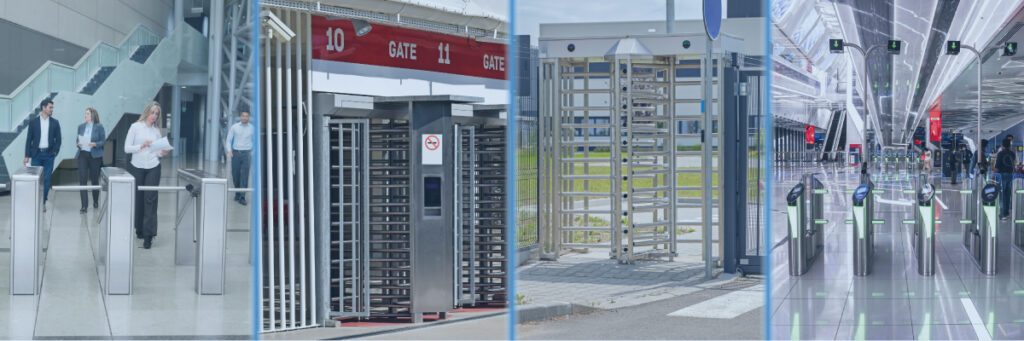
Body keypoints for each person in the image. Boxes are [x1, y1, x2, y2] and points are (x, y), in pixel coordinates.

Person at [125, 102, 169, 249]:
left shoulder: (156, 131)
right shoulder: (135, 127)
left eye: (157, 114)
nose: (154, 116)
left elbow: (157, 151)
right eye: (152, 112)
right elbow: (127, 148)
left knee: (150, 200)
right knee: (138, 200)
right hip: (136, 166)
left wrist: (162, 152)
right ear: (147, 112)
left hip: (153, 167)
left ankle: (148, 236)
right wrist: (141, 145)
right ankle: (139, 229)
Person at [24, 98, 61, 211]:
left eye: (52, 107)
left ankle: (43, 201)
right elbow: (29, 139)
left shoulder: (55, 122)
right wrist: (26, 156)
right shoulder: (33, 122)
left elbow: (58, 140)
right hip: (36, 155)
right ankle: (35, 201)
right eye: (50, 107)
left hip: (49, 156)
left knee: (47, 180)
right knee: (35, 179)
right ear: (43, 108)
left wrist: (54, 152)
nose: (52, 109)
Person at [76, 108, 106, 213]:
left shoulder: (99, 126)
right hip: (82, 155)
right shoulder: (81, 126)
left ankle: (96, 201)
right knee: (82, 179)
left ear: (93, 115)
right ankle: (84, 206)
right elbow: (77, 140)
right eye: (85, 114)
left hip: (95, 156)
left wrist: (95, 144)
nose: (85, 115)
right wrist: (78, 144)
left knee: (94, 179)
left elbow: (103, 141)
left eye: (87, 114)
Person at [225, 111, 253, 205]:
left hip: (247, 154)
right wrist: (229, 150)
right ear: (240, 117)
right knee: (235, 174)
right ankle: (237, 193)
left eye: (246, 116)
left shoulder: (252, 128)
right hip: (236, 153)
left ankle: (242, 197)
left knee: (244, 175)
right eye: (243, 116)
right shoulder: (234, 127)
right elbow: (229, 140)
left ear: (248, 117)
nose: (245, 118)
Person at [997, 138, 1016, 220]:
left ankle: (1002, 213)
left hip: (1002, 175)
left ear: (1002, 145)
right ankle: (1007, 212)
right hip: (1010, 175)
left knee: (1002, 194)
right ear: (1009, 145)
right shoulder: (1012, 154)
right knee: (1008, 194)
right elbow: (1013, 163)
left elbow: (997, 166)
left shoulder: (1000, 153)